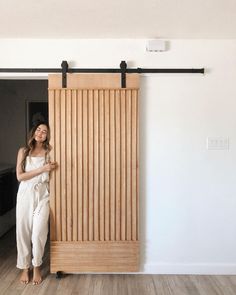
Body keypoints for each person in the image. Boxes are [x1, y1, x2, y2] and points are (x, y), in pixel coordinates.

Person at [16, 121, 57, 285]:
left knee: (39, 231)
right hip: (25, 193)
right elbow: (20, 176)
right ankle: (25, 267)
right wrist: (42, 169)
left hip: (43, 194)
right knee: (23, 231)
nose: (40, 132)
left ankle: (37, 265)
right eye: (39, 129)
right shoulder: (23, 151)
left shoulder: (50, 151)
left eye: (44, 131)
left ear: (48, 136)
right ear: (33, 132)